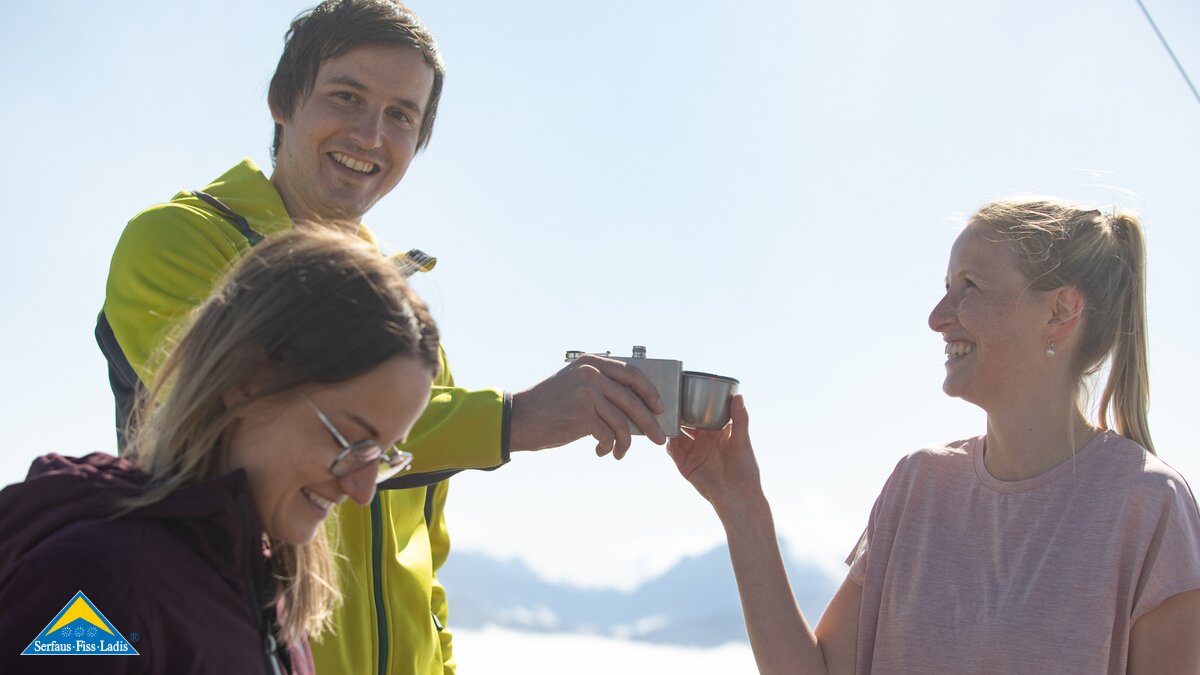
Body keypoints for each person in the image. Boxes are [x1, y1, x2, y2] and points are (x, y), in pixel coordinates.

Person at [93, 1, 666, 673]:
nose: (370, 135)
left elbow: (423, 548)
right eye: (347, 96)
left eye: (401, 116)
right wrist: (515, 419)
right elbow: (261, 410)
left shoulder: (404, 322)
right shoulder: (175, 241)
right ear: (282, 101)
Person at [668, 197, 1200, 673]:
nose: (937, 318)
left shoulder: (1148, 505)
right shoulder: (918, 487)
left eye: (970, 287)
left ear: (1059, 311)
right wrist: (740, 504)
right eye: (946, 289)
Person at [1, 228, 440, 674]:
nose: (362, 491)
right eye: (351, 442)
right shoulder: (100, 588)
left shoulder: (265, 598)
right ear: (249, 378)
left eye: (383, 457)